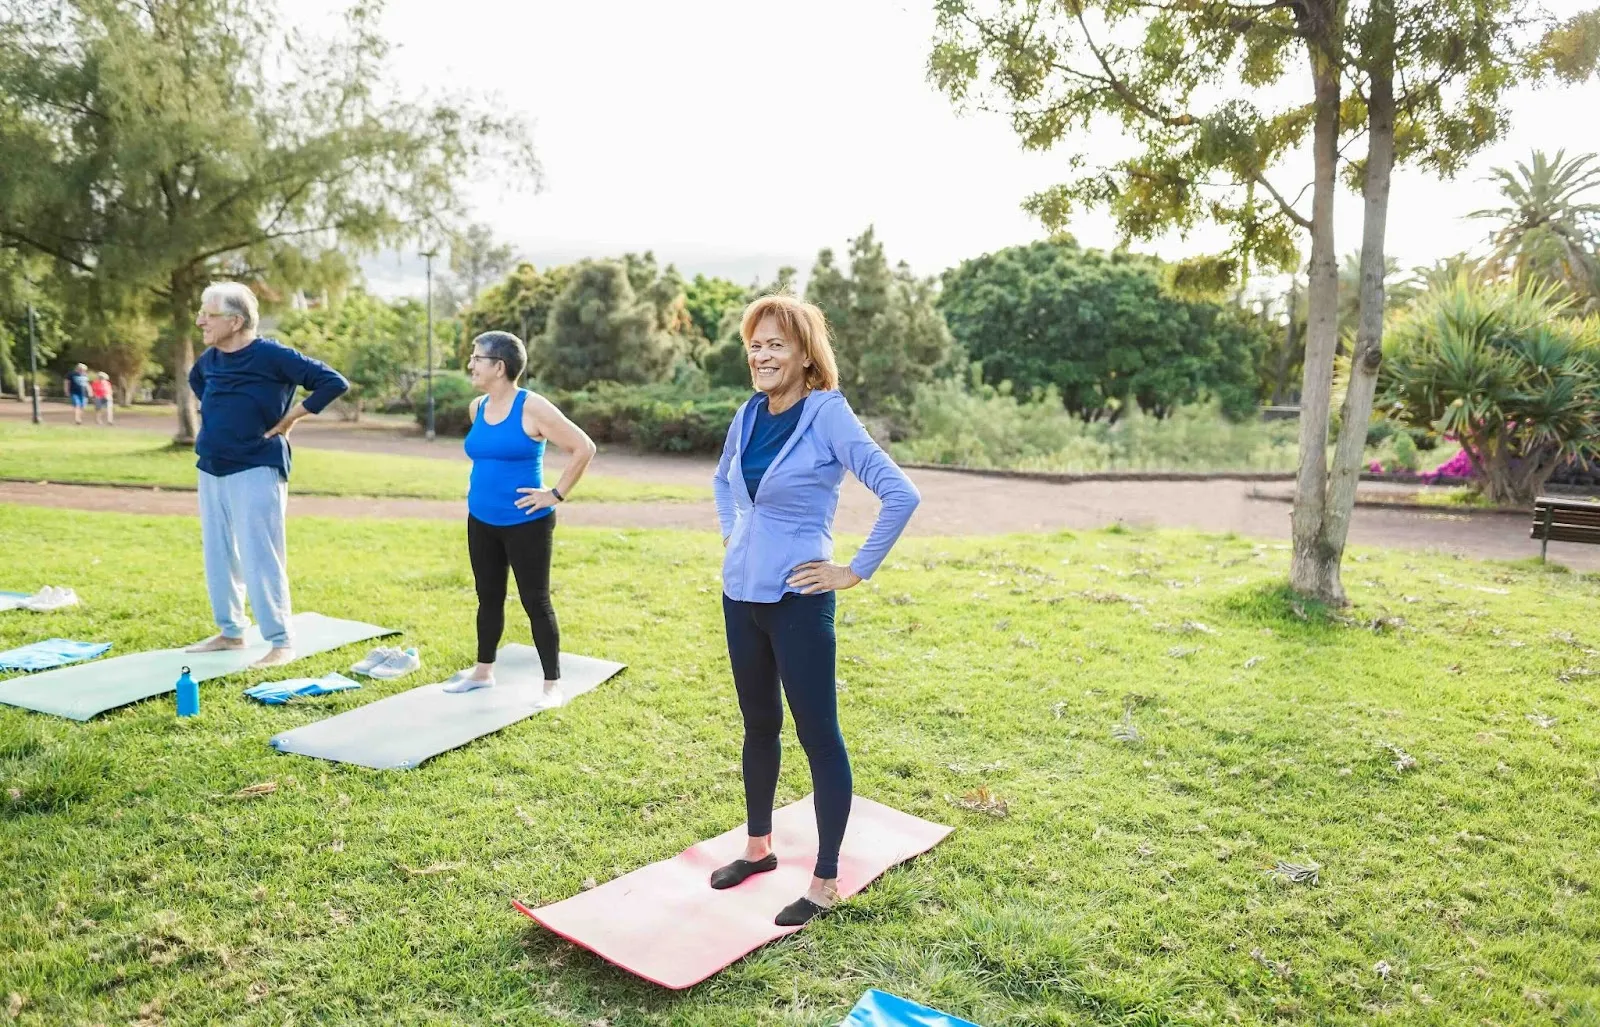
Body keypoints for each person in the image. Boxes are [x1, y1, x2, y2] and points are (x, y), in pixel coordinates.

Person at [709, 294, 921, 926]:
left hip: (800, 599)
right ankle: (758, 848)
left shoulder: (827, 414)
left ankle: (825, 880)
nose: (762, 354)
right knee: (757, 724)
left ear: (805, 355)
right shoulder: (749, 413)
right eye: (754, 344)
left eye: (775, 344)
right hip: (741, 594)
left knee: (818, 736)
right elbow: (724, 480)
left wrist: (853, 570)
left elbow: (900, 493)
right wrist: (735, 534)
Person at [184, 281, 348, 668]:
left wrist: (291, 417)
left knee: (261, 556)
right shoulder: (208, 360)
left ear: (236, 320)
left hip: (257, 465)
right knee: (219, 554)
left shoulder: (271, 355)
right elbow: (200, 387)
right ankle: (231, 632)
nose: (200, 320)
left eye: (209, 313)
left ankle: (280, 641)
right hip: (211, 466)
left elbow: (332, 382)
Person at [444, 331, 597, 703]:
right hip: (480, 518)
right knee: (488, 597)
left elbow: (583, 447)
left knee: (535, 601)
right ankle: (483, 672)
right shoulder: (477, 407)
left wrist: (555, 494)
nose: (470, 364)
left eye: (476, 358)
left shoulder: (533, 407)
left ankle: (551, 685)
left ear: (499, 366)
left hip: (526, 522)